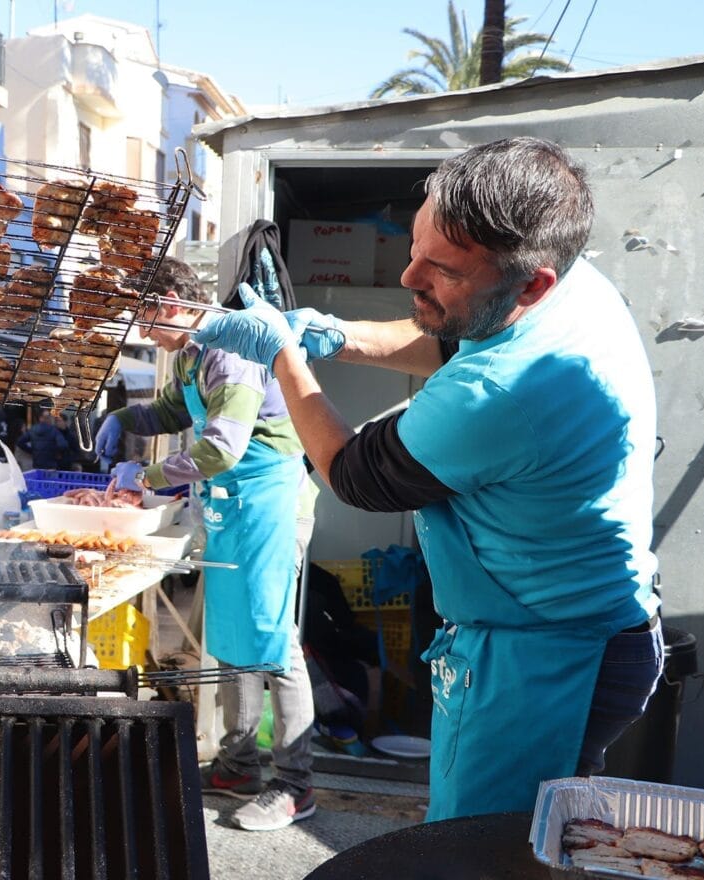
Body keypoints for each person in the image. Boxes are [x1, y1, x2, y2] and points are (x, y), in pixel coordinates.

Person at [194, 137, 662, 821]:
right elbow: (455, 332)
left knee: (482, 855)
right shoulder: (572, 286)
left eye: (439, 270)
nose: (410, 277)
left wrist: (288, 360)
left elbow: (353, 475)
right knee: (532, 839)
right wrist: (337, 334)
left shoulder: (500, 394)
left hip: (545, 660)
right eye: (414, 247)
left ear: (534, 282)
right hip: (585, 627)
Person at [99, 257, 319, 832]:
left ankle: (296, 785)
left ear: (172, 300)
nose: (144, 332)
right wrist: (122, 418)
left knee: (273, 640)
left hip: (271, 499)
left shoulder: (231, 351)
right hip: (231, 506)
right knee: (231, 635)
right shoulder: (194, 354)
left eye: (147, 316)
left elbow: (220, 449)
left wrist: (144, 478)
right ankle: (238, 764)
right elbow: (173, 410)